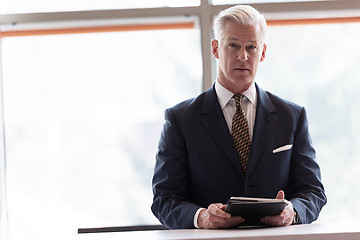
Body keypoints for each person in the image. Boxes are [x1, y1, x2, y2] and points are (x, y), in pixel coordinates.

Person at [151, 5, 326, 229]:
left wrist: (293, 212)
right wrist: (202, 217)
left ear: (262, 52)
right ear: (215, 48)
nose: (243, 56)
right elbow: (164, 200)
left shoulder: (292, 116)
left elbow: (313, 192)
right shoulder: (181, 120)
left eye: (251, 47)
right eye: (233, 45)